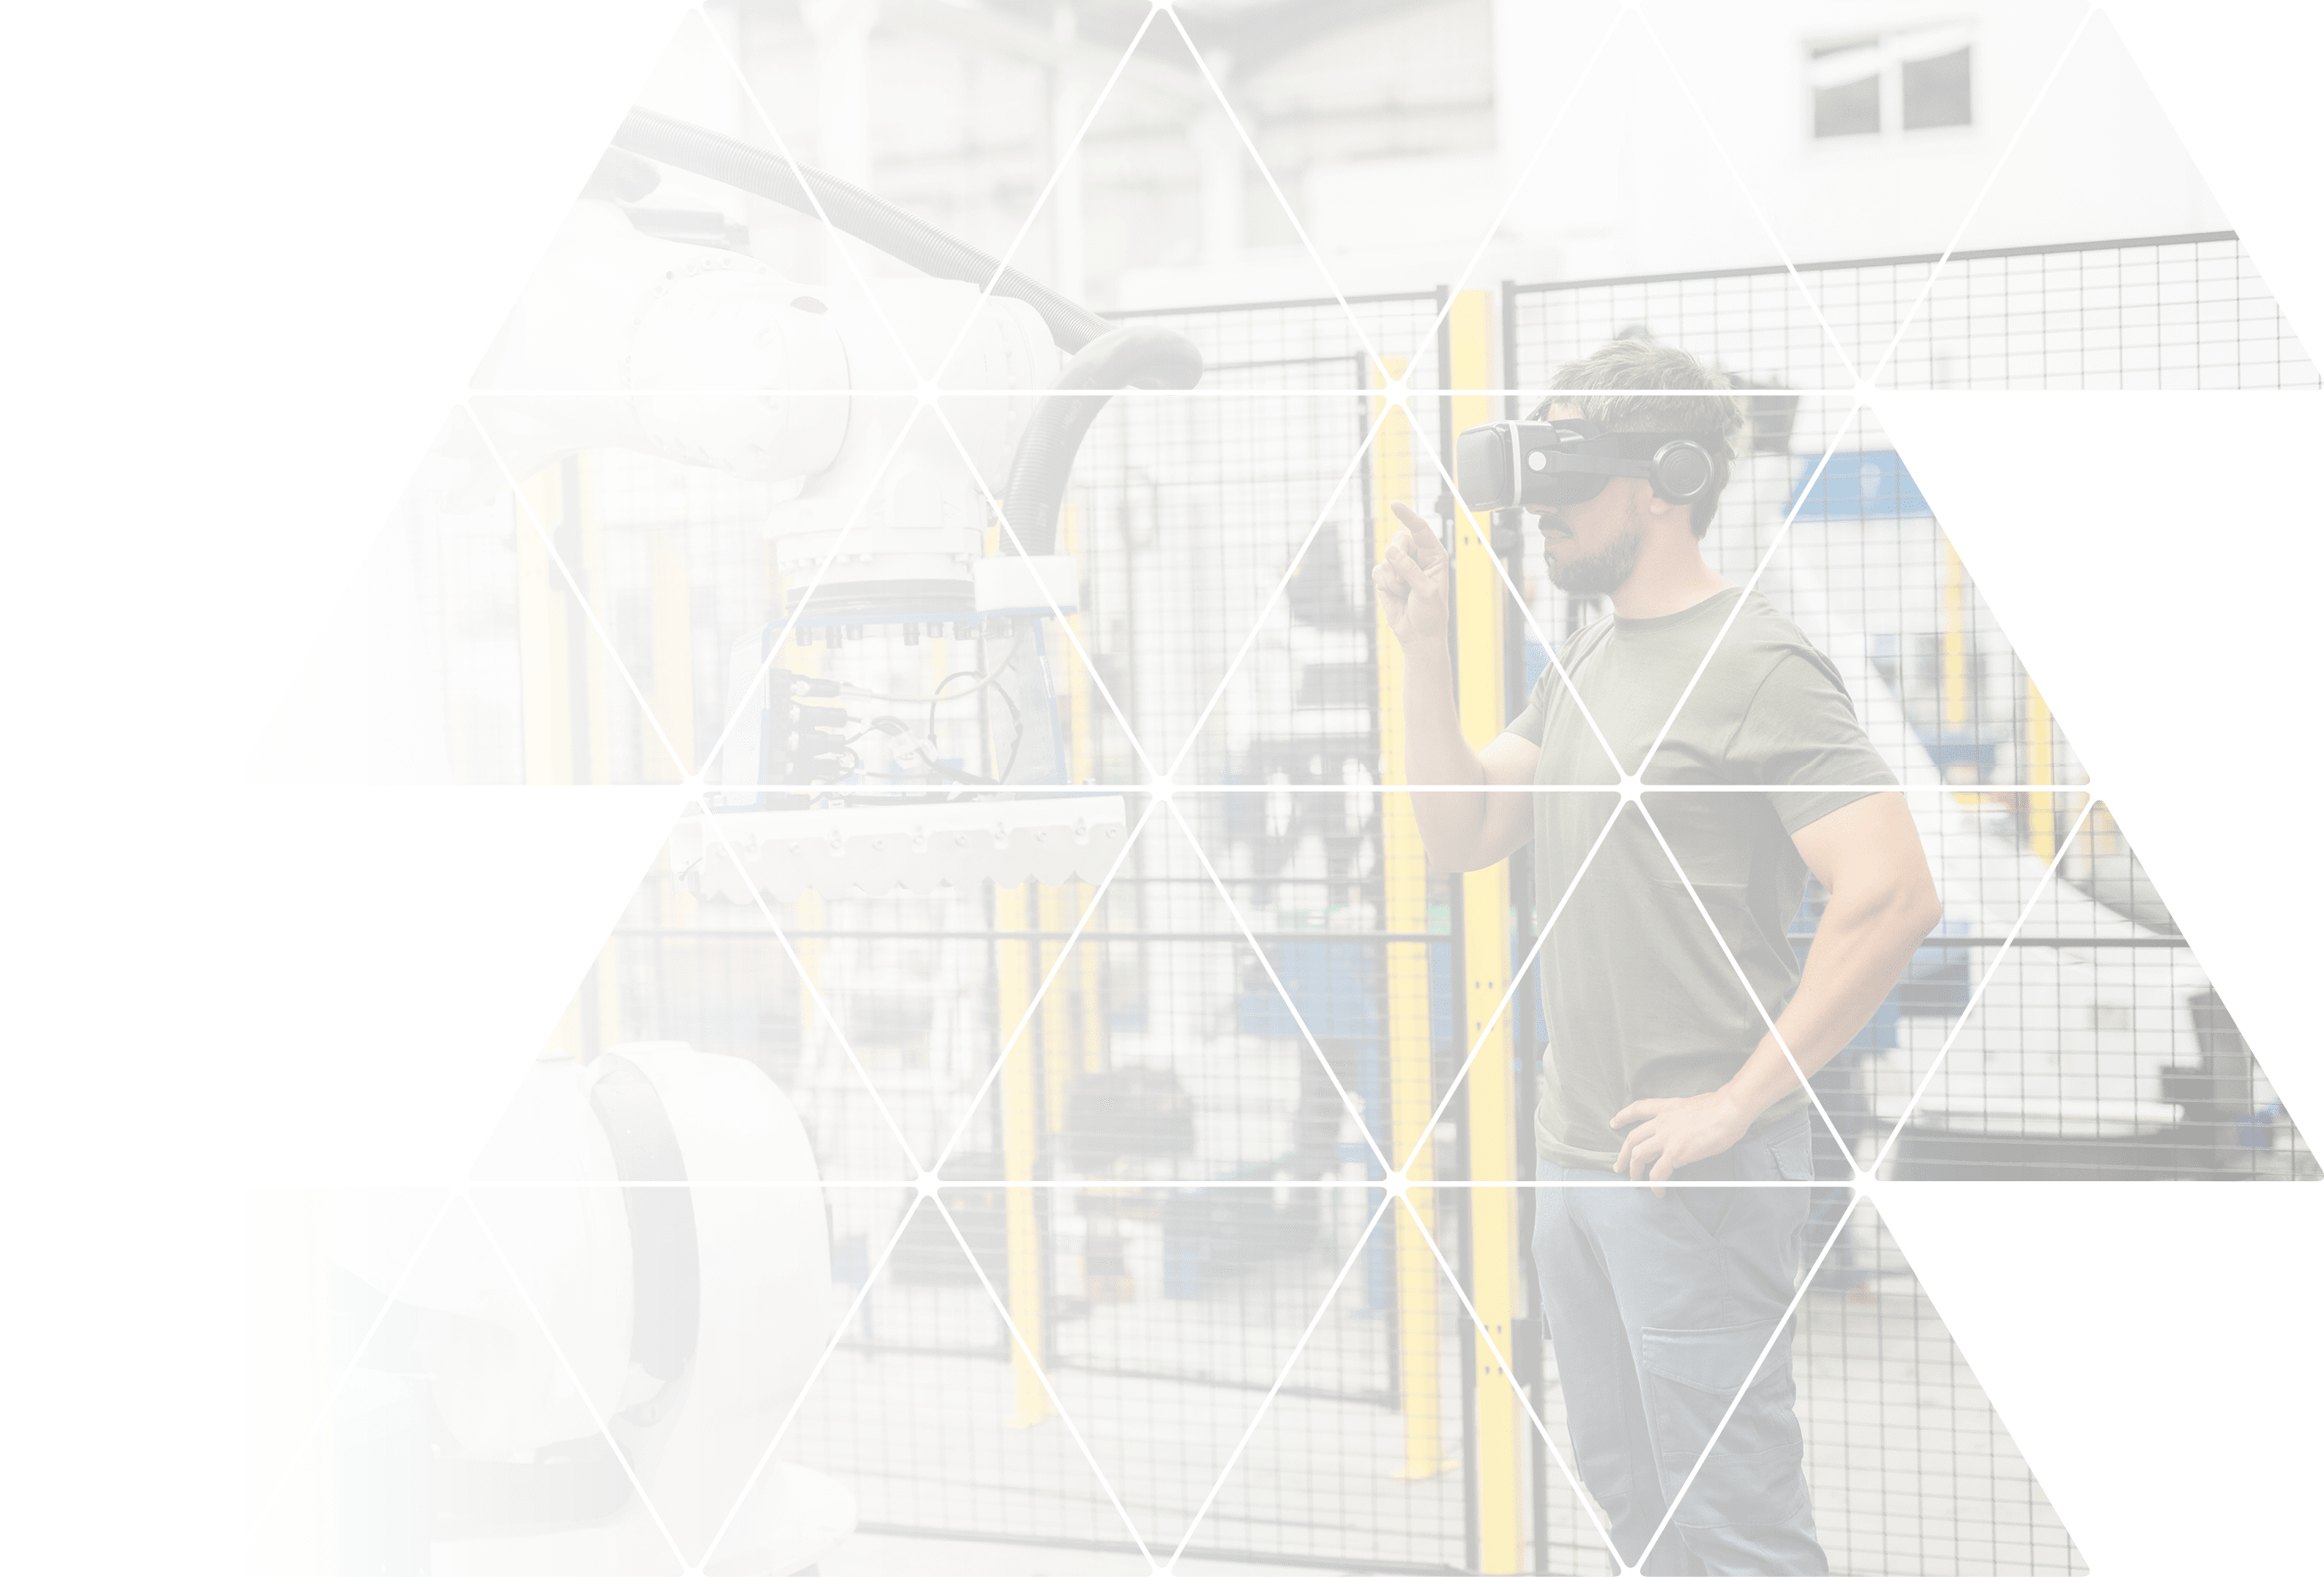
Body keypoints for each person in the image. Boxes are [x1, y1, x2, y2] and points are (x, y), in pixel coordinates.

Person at [1371, 339, 1941, 1574]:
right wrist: (1424, 651)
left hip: (1697, 1175)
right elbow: (1463, 829)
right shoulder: (1587, 659)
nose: (1543, 510)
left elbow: (1892, 896)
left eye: (1571, 474)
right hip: (1578, 1160)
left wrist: (1737, 1102)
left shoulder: (1756, 663)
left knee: (1736, 1525)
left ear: (1667, 479)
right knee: (1635, 1502)